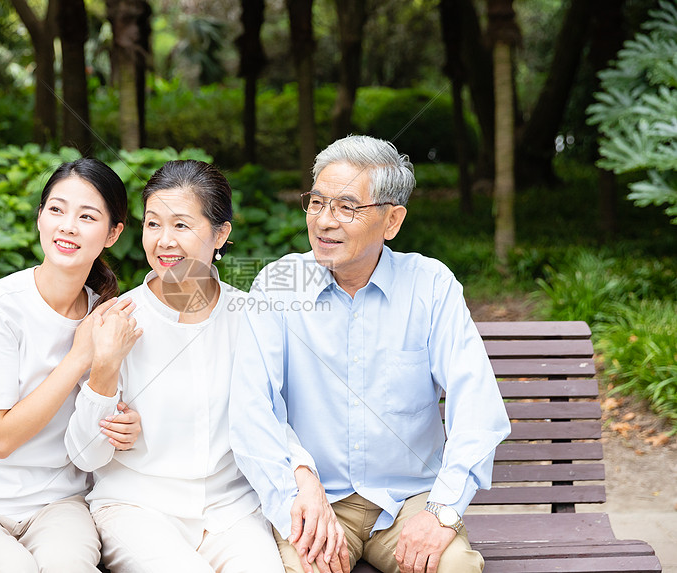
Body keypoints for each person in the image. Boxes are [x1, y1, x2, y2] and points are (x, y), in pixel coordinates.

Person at [229, 135, 512, 573]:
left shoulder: (430, 286)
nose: (324, 221)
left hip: (408, 502)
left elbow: (477, 408)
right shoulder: (278, 284)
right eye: (316, 202)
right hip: (317, 499)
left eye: (346, 207)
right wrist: (297, 488)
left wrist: (441, 512)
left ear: (392, 220)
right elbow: (253, 408)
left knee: (453, 568)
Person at [65, 159, 310, 573]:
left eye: (181, 225)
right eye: (153, 224)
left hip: (231, 512)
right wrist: (104, 371)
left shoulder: (249, 315)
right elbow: (85, 456)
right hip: (137, 508)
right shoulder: (116, 319)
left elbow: (271, 417)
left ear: (221, 234)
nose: (163, 241)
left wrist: (303, 472)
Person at [0, 158, 143, 572]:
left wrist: (123, 426)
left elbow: (98, 433)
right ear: (40, 218)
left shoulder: (108, 319)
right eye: (56, 210)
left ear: (113, 234)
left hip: (57, 505)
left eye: (87, 216)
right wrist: (78, 358)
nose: (68, 226)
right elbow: (0, 439)